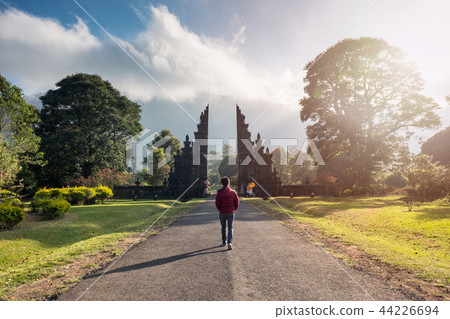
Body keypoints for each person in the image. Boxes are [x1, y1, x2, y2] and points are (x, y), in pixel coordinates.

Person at [215, 176, 239, 250]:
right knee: (230, 227)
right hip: (231, 212)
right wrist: (233, 209)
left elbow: (217, 203)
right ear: (228, 183)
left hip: (222, 212)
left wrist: (220, 209)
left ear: (222, 183)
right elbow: (236, 202)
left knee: (223, 227)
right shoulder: (233, 192)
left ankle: (223, 242)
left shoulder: (219, 193)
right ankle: (229, 242)